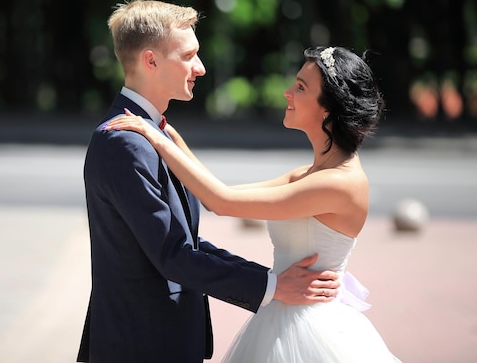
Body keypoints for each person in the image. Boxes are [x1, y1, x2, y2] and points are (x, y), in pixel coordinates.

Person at [77, 0, 341, 363]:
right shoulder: (125, 141)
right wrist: (273, 287)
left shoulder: (153, 133)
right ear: (151, 61)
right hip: (140, 343)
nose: (200, 68)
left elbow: (186, 240)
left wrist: (270, 280)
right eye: (188, 56)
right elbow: (174, 256)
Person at [105, 45, 402, 362]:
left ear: (328, 107)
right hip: (284, 314)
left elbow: (222, 202)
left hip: (312, 327)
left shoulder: (339, 183)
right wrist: (170, 136)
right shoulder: (310, 174)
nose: (288, 93)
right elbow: (220, 192)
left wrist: (156, 139)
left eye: (300, 87)